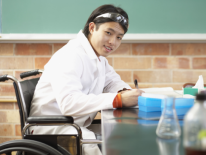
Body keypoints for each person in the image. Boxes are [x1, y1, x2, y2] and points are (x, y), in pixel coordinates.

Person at [29, 4, 144, 155]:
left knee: (119, 133)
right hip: (50, 131)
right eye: (108, 33)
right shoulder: (71, 55)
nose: (113, 42)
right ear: (92, 28)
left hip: (74, 125)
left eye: (119, 37)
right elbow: (69, 104)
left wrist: (127, 92)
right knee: (105, 141)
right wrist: (117, 100)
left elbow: (112, 82)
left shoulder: (98, 58)